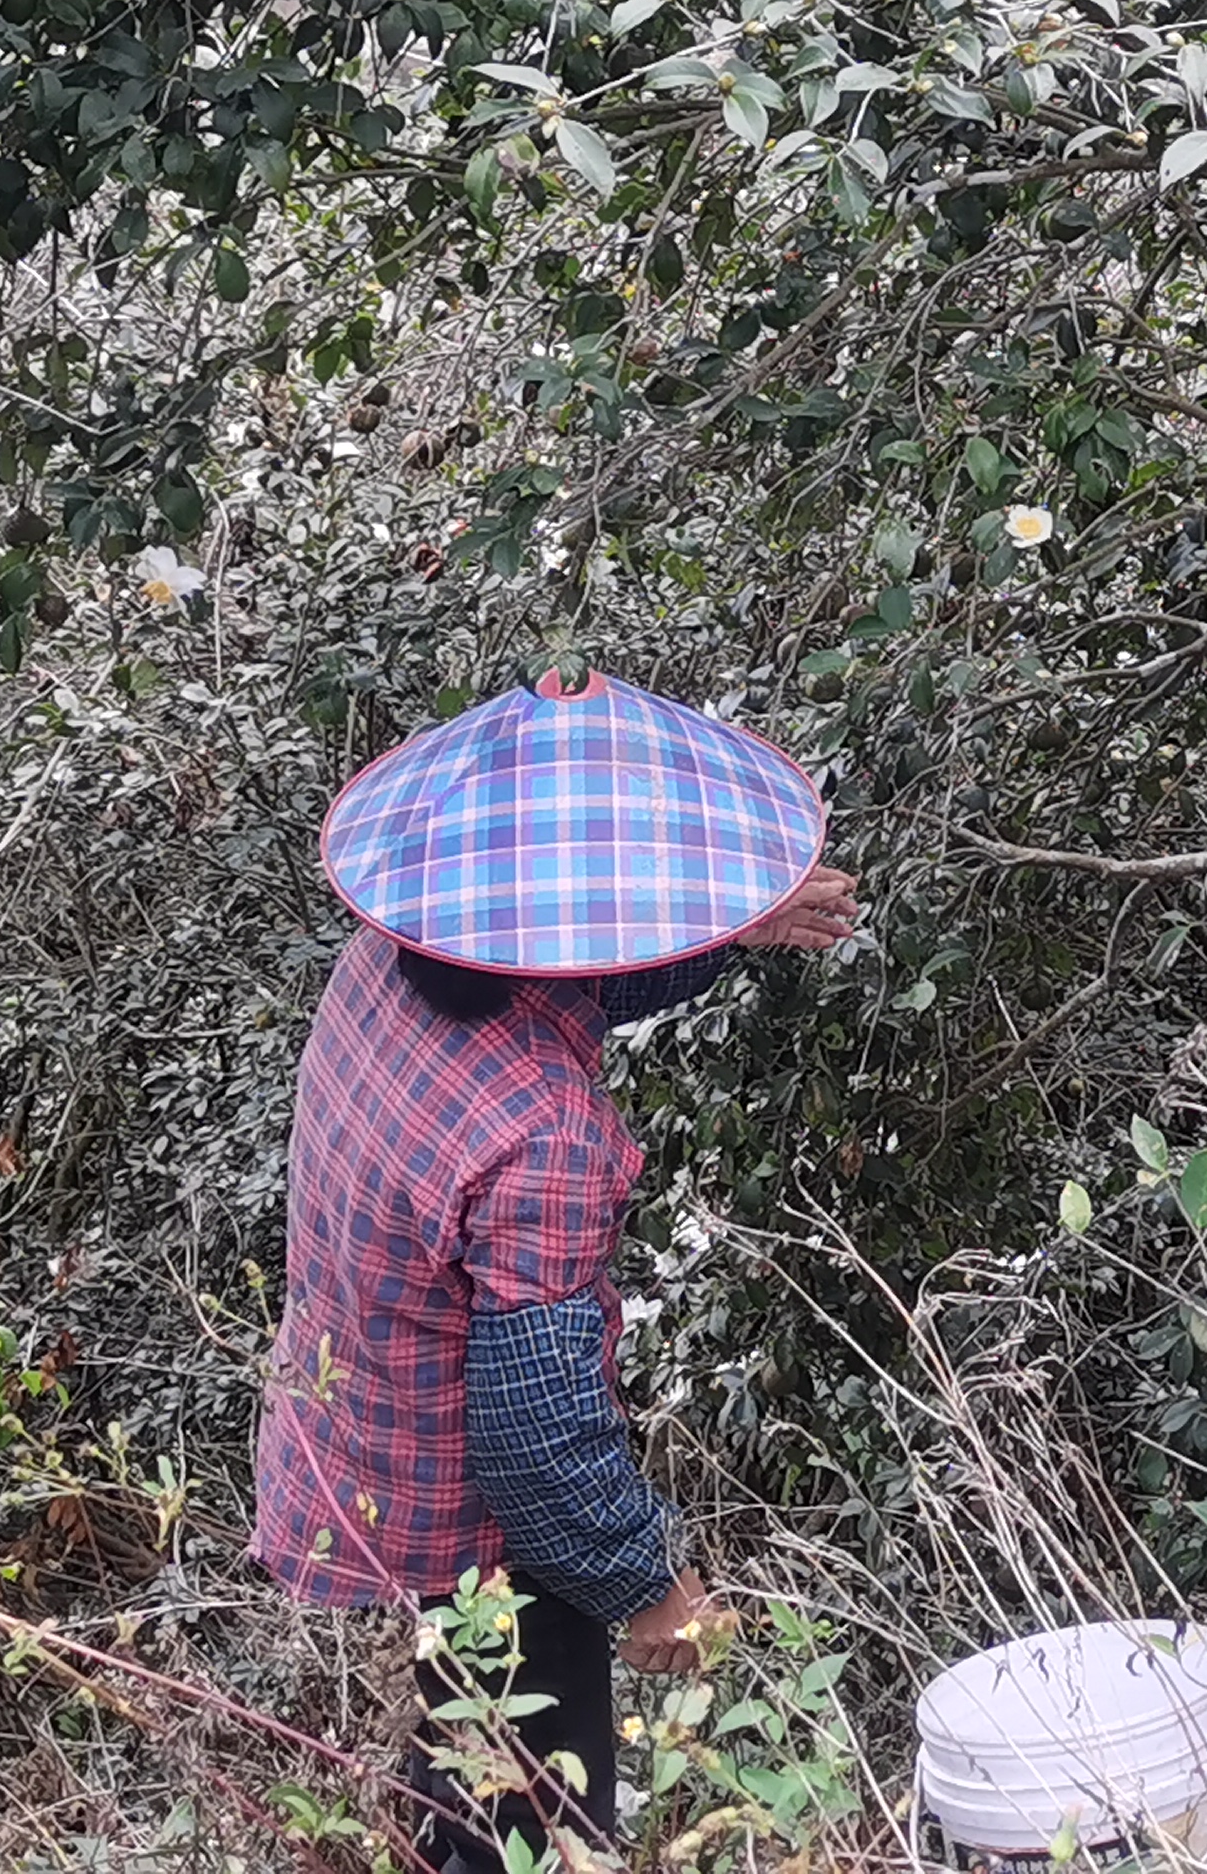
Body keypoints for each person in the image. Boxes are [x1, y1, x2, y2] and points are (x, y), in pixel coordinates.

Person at [250, 666, 862, 1872]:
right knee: (537, 1802)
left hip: (356, 1423)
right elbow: (537, 1428)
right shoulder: (542, 1137)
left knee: (468, 1748)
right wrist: (646, 1587)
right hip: (481, 1513)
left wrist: (730, 935)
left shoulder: (387, 956)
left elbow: (558, 968)